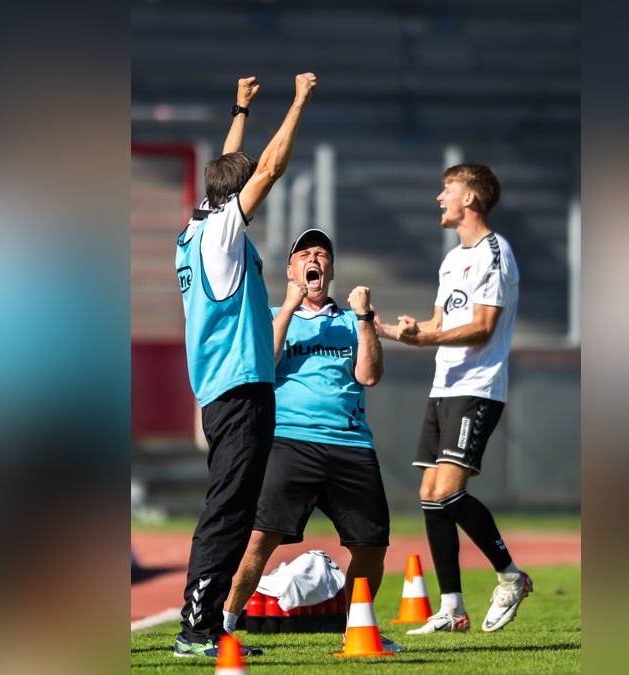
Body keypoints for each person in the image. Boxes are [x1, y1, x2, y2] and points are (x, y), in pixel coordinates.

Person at [172, 72, 318, 658]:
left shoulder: (196, 229)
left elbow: (230, 168)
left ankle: (205, 624)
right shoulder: (224, 232)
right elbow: (267, 169)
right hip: (239, 389)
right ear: (234, 200)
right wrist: (299, 100)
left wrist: (240, 108)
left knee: (231, 507)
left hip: (221, 389)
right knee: (229, 511)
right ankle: (197, 629)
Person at [219, 228, 404, 651]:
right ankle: (224, 627)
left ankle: (355, 629)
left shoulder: (351, 321)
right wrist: (289, 304)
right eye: (304, 254)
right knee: (259, 539)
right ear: (291, 269)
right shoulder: (270, 314)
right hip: (290, 442)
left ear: (331, 269)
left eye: (321, 253)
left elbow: (370, 376)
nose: (313, 259)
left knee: (371, 545)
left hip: (351, 444)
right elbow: (265, 361)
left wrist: (363, 319)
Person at [376, 163, 532, 634]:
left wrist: (425, 340)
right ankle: (452, 607)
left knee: (447, 491)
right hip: (444, 387)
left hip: (478, 387)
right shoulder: (451, 259)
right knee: (429, 494)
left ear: (471, 198)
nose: (439, 198)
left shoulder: (495, 251)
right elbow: (436, 326)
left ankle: (510, 576)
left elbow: (483, 328)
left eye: (447, 190)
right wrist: (386, 331)